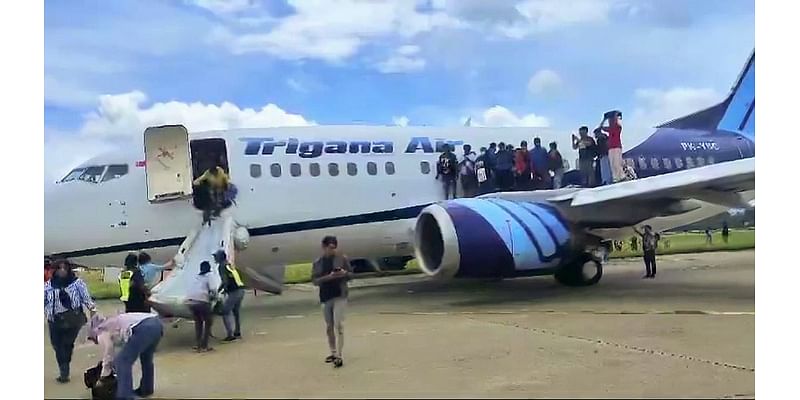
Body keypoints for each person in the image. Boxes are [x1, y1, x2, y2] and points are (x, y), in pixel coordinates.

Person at [90, 312, 164, 400]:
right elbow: (124, 345)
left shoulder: (100, 330)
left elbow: (108, 350)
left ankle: (125, 396)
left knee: (122, 361)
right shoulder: (113, 321)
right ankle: (146, 389)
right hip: (157, 324)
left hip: (144, 327)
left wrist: (105, 372)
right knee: (146, 357)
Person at [45, 259, 97, 383]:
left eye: (65, 268)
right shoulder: (48, 285)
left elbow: (86, 299)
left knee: (67, 345)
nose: (62, 271)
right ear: (55, 270)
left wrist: (93, 313)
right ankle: (63, 367)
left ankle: (64, 370)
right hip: (54, 319)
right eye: (59, 268)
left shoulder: (77, 283)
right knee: (57, 346)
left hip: (73, 319)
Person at [311, 236, 353, 368]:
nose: (332, 250)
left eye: (334, 247)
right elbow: (314, 280)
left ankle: (339, 355)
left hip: (340, 295)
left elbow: (351, 275)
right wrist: (329, 277)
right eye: (330, 248)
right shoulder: (318, 262)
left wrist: (344, 273)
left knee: (338, 324)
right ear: (324, 247)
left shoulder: (342, 259)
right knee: (329, 326)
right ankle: (333, 351)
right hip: (325, 296)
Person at [215, 249, 245, 342]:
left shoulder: (221, 266)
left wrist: (219, 290)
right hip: (241, 290)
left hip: (234, 291)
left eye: (216, 256)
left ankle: (230, 334)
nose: (214, 258)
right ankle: (237, 332)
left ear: (220, 258)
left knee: (225, 311)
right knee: (236, 312)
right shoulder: (229, 265)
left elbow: (225, 281)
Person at [186, 261, 217, 352]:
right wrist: (215, 298)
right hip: (202, 301)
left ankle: (198, 344)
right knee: (208, 322)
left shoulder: (197, 276)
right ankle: (204, 345)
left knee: (198, 322)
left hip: (190, 301)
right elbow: (213, 289)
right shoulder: (209, 275)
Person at [600, 110, 625, 182]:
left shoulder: (618, 127)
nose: (610, 122)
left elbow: (617, 122)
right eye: (609, 121)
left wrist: (616, 116)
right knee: (612, 164)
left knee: (617, 163)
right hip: (610, 148)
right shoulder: (609, 128)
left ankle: (621, 177)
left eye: (611, 121)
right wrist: (604, 120)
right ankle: (616, 178)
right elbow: (600, 128)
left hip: (617, 147)